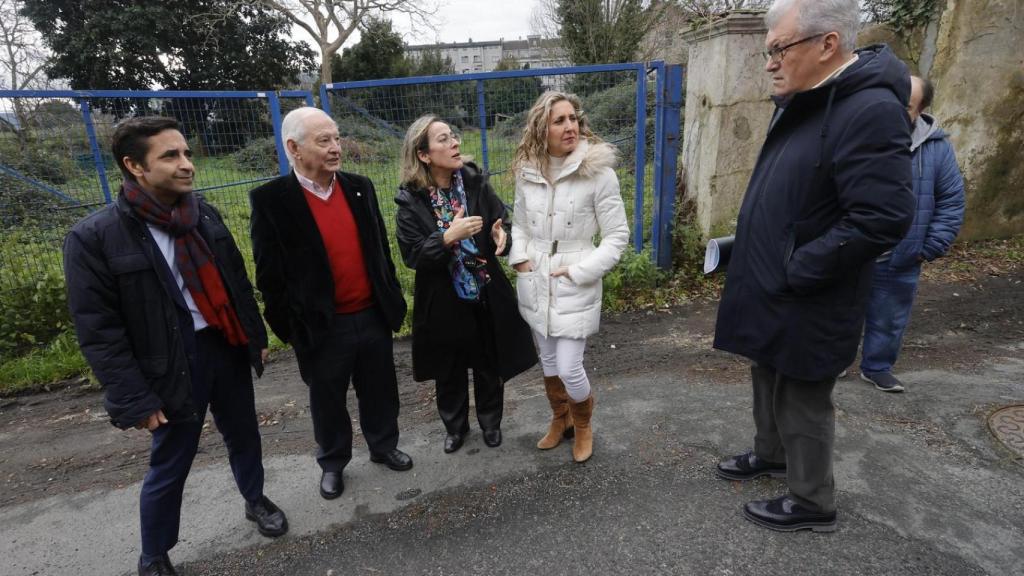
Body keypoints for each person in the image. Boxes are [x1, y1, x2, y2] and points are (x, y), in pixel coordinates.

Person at [712, 0, 916, 532]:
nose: (770, 63)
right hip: (774, 281)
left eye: (779, 49)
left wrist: (799, 266)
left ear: (828, 44)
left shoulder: (869, 109)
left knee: (802, 393)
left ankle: (811, 501)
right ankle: (772, 455)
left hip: (812, 289)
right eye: (768, 51)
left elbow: (883, 216)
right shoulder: (808, 99)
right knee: (766, 371)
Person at [63, 116, 287, 576]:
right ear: (134, 166)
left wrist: (254, 335)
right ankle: (154, 554)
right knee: (172, 460)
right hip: (168, 363)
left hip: (224, 345)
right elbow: (99, 330)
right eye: (170, 156)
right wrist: (134, 396)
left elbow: (235, 280)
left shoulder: (202, 214)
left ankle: (255, 499)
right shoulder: (94, 237)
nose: (187, 164)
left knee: (244, 434)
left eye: (186, 153)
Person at [249, 107, 411, 501]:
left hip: (371, 314)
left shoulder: (360, 187)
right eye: (324, 141)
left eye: (336, 138)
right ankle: (333, 463)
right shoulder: (271, 200)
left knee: (380, 389)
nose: (336, 147)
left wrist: (389, 296)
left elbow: (379, 249)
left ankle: (383, 445)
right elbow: (269, 277)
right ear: (294, 148)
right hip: (321, 327)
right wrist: (292, 330)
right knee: (327, 400)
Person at [394, 115, 537, 453]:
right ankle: (455, 428)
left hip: (484, 289)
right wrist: (447, 237)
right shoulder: (411, 200)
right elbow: (412, 255)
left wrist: (502, 235)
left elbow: (502, 222)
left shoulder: (475, 184)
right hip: (442, 297)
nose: (454, 143)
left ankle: (491, 422)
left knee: (488, 361)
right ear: (424, 154)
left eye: (453, 136)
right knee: (449, 367)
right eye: (443, 139)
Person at [509, 91, 629, 463]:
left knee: (568, 366)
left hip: (574, 278)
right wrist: (520, 260)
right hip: (536, 276)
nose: (569, 126)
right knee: (548, 362)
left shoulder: (599, 173)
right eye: (559, 120)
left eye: (573, 118)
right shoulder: (528, 172)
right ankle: (560, 419)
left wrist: (579, 271)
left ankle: (584, 424)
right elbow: (519, 225)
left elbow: (617, 236)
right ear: (541, 129)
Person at [858, 75, 966, 393]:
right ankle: (831, 363)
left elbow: (951, 201)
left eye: (904, 106)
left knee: (889, 317)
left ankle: (877, 367)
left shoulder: (936, 148)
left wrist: (928, 247)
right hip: (849, 250)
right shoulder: (855, 135)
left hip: (899, 256)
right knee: (836, 313)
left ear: (920, 110)